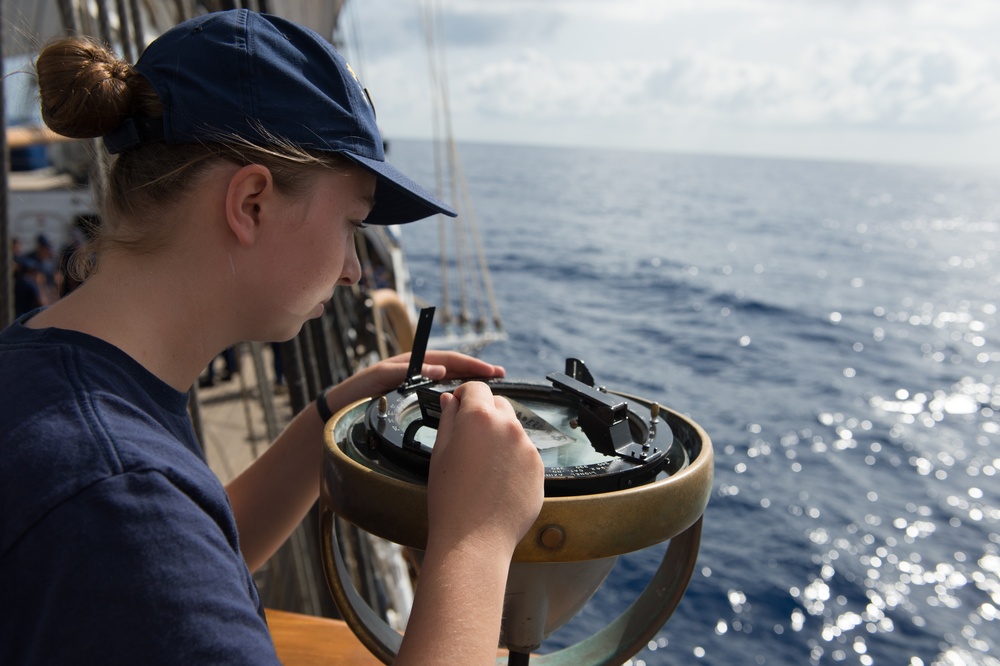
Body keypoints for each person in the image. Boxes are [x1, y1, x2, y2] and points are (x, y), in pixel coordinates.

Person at [0, 9, 543, 665]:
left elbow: (191, 556)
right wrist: (476, 540)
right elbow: (147, 541)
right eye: (351, 223)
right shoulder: (116, 496)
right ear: (251, 203)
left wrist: (327, 421)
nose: (352, 270)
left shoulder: (47, 365)